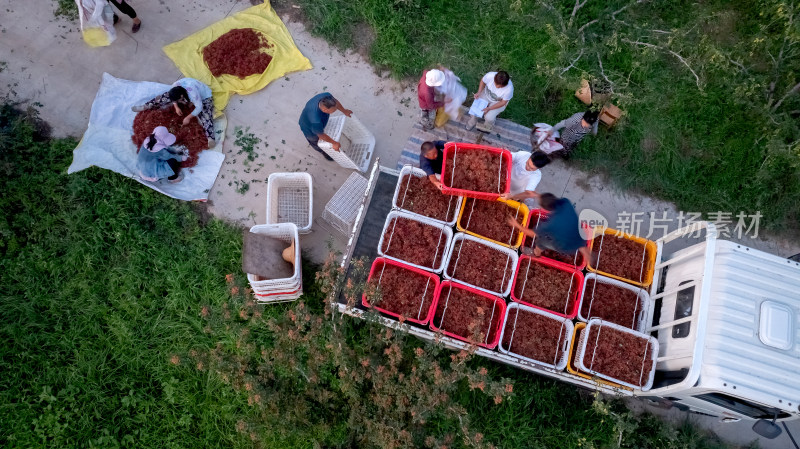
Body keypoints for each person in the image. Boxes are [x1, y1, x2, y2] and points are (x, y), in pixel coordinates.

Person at [507, 193, 592, 262]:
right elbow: (549, 200)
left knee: (541, 241)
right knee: (576, 240)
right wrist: (537, 195)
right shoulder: (566, 202)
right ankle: (586, 252)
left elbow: (533, 234)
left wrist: (517, 225)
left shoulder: (551, 223)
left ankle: (536, 253)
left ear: (546, 210)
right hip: (579, 235)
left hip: (565, 246)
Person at [132, 78, 216, 148]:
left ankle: (210, 137)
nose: (176, 102)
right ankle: (146, 106)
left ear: (182, 97)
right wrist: (176, 107)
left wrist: (188, 117)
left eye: (178, 100)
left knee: (206, 114)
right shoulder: (175, 86)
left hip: (204, 97)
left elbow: (199, 107)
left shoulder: (193, 94)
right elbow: (172, 99)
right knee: (165, 97)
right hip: (185, 95)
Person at [298, 92, 353, 161]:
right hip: (308, 127)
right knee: (316, 141)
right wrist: (334, 143)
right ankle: (324, 152)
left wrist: (344, 111)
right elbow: (321, 135)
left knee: (321, 127)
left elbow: (336, 102)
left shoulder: (327, 96)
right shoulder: (315, 120)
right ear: (325, 110)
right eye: (333, 111)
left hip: (317, 120)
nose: (335, 111)